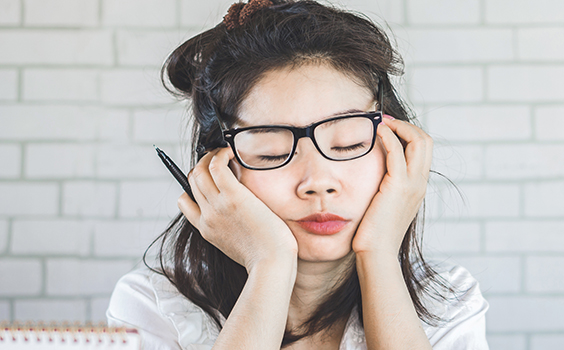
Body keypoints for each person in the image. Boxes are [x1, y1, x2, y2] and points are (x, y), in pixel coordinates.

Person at [105, 0, 489, 349]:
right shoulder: (152, 306)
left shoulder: (448, 303)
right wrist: (268, 264)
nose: (318, 182)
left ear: (400, 152)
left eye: (348, 144)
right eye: (272, 152)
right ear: (215, 172)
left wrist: (379, 256)